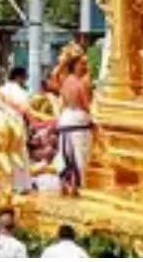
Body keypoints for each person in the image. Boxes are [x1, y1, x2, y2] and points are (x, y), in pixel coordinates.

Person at [57, 55, 94, 197]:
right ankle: (76, 187)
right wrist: (93, 119)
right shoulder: (79, 83)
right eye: (82, 64)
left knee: (66, 154)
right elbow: (85, 104)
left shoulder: (66, 81)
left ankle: (66, 184)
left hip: (66, 120)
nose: (85, 67)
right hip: (78, 121)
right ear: (74, 66)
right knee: (79, 155)